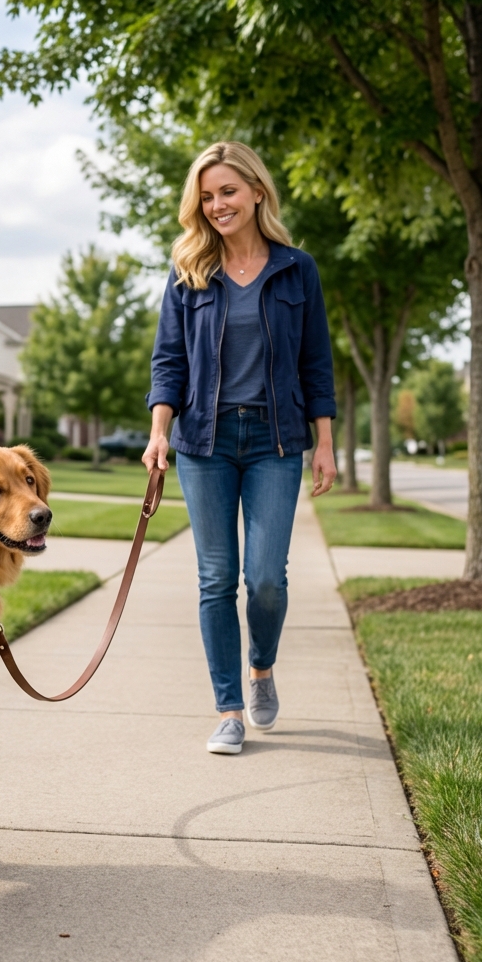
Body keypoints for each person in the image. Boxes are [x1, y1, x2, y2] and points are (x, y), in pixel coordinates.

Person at [142, 141, 337, 755]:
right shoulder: (189, 272)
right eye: (206, 196)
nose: (217, 204)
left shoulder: (296, 269)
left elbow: (317, 364)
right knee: (216, 577)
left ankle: (262, 669)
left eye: (228, 191)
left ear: (257, 191)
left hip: (276, 441)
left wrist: (324, 442)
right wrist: (158, 431)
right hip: (205, 439)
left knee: (266, 580)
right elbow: (168, 361)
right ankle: (228, 708)